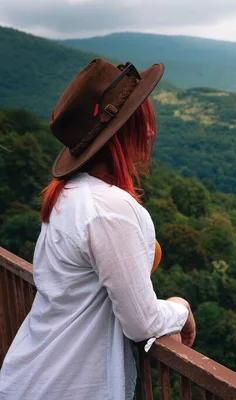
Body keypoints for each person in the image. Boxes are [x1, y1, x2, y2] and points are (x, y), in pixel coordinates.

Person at [0, 58, 195, 399]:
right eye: (140, 122)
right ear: (120, 135)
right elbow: (143, 323)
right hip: (65, 388)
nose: (150, 132)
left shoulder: (68, 195)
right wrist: (182, 309)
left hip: (30, 378)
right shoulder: (110, 209)